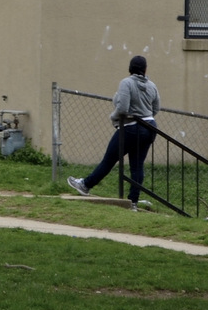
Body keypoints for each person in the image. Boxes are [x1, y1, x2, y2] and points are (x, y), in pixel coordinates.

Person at [67, 56, 159, 210]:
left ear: (130, 68)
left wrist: (113, 117)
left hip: (130, 127)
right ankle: (133, 202)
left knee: (109, 160)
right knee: (137, 166)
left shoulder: (126, 83)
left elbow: (122, 108)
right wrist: (144, 116)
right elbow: (156, 108)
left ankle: (85, 185)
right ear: (145, 69)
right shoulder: (152, 86)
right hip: (149, 127)